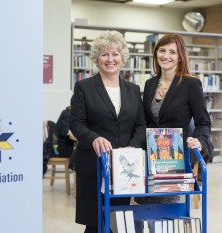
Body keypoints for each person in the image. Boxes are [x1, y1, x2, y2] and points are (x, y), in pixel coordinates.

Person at [134, 33, 214, 232]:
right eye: (162, 50)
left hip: (173, 159)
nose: (166, 56)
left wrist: (200, 140)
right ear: (156, 53)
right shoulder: (150, 84)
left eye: (172, 52)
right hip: (148, 156)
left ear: (180, 57)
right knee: (145, 209)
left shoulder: (190, 84)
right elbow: (145, 121)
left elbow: (204, 121)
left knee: (167, 212)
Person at [70, 30, 146, 233]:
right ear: (97, 58)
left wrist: (134, 145)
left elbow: (140, 124)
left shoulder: (132, 89)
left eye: (115, 54)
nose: (110, 59)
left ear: (122, 58)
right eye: (104, 54)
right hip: (94, 165)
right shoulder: (83, 87)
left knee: (118, 222)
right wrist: (94, 138)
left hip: (125, 168)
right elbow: (76, 124)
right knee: (95, 224)